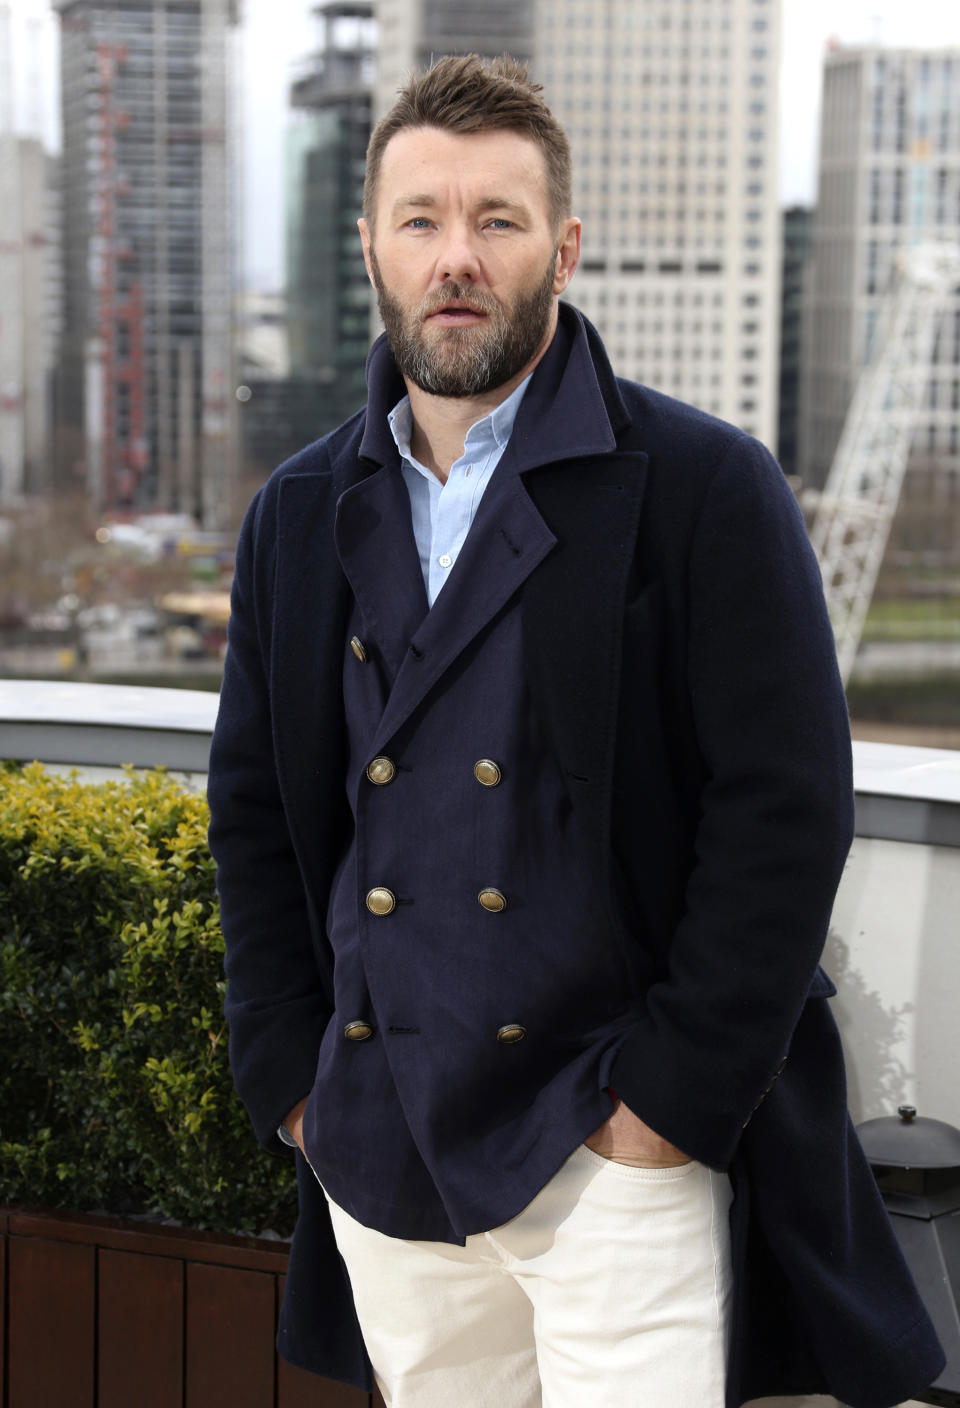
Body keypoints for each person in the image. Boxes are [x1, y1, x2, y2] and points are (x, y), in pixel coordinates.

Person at [207, 54, 944, 1408]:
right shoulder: (297, 512)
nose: (457, 258)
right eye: (422, 219)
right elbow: (254, 806)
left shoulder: (705, 487)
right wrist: (293, 1078)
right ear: (370, 243)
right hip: (384, 1142)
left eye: (499, 219)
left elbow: (784, 813)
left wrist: (664, 1110)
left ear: (566, 245)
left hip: (610, 1154)